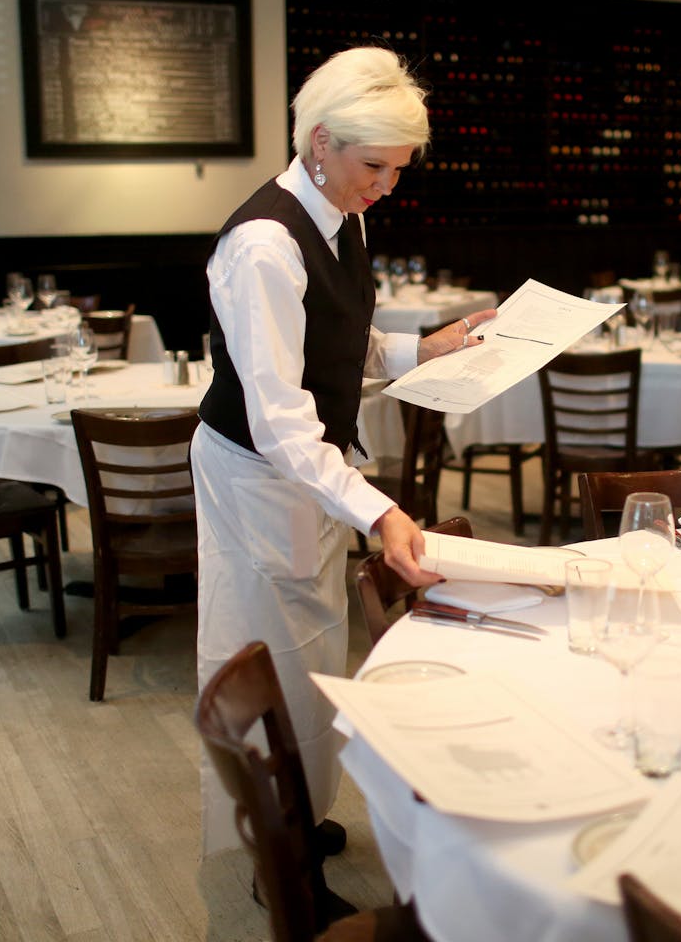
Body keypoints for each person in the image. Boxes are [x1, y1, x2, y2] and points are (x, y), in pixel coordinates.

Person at [192, 46, 495, 865]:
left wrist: (418, 351)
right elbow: (283, 422)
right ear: (319, 141)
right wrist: (382, 508)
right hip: (257, 476)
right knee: (267, 657)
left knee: (315, 649)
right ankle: (270, 851)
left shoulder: (341, 211)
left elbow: (335, 344)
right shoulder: (263, 245)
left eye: (397, 170)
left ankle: (304, 810)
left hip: (302, 475)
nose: (386, 187)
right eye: (376, 167)